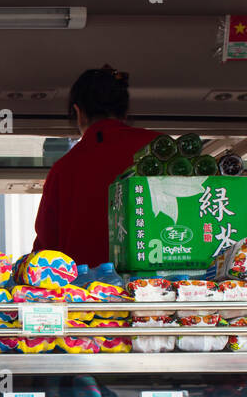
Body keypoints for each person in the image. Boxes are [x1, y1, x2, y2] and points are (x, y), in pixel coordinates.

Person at [32, 64, 156, 265]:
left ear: (79, 112)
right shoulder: (160, 149)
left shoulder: (63, 170)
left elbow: (45, 254)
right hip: (163, 289)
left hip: (89, 293)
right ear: (124, 111)